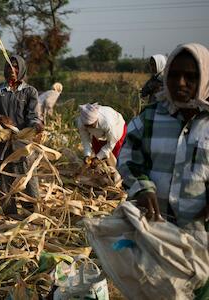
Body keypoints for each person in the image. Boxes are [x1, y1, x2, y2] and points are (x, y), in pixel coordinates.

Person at [118, 43, 209, 231]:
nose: (180, 83)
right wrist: (142, 187)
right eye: (174, 75)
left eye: (190, 76)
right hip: (153, 229)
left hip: (200, 233)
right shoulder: (149, 117)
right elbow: (128, 158)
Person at [0, 55, 44, 217]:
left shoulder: (29, 91)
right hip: (1, 141)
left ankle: (31, 212)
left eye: (16, 67)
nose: (12, 70)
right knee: (3, 177)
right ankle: (10, 214)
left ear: (22, 69)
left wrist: (36, 124)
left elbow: (33, 115)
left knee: (26, 175)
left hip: (22, 141)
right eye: (9, 67)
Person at [77, 103, 126, 167]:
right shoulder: (81, 123)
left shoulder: (108, 123)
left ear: (96, 121)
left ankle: (120, 172)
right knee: (97, 151)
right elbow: (85, 139)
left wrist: (98, 157)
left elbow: (111, 144)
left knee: (118, 155)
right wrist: (87, 155)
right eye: (87, 126)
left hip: (118, 129)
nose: (89, 128)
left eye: (91, 126)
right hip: (100, 133)